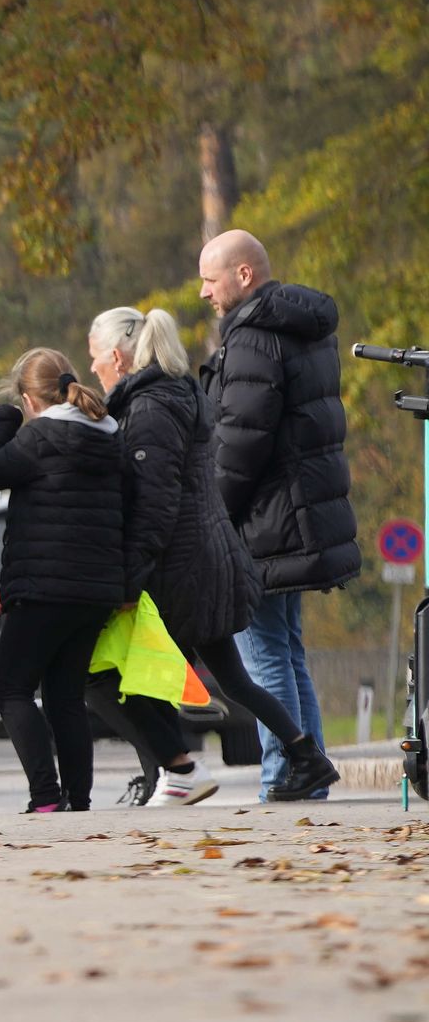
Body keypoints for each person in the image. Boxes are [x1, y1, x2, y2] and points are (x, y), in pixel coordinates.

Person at [91, 301, 296, 805]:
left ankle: (175, 772)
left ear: (117, 357)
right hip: (199, 560)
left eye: (95, 356)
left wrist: (129, 580)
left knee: (132, 680)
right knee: (225, 679)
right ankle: (304, 753)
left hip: (178, 569)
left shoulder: (150, 408)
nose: (91, 366)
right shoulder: (171, 396)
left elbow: (155, 505)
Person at [197, 228, 359, 798]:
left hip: (265, 523)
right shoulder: (301, 327)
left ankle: (284, 773)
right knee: (287, 651)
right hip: (299, 518)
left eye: (210, 279)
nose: (203, 293)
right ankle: (308, 774)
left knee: (264, 653)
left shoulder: (252, 337)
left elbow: (240, 444)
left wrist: (212, 518)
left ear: (244, 275)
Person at [0, 347, 134, 814]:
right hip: (95, 590)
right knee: (65, 697)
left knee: (9, 688)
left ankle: (46, 796)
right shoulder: (109, 436)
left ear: (29, 399)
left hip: (43, 588)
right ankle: (77, 799)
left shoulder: (39, 438)